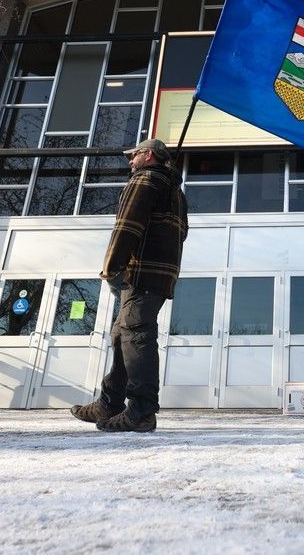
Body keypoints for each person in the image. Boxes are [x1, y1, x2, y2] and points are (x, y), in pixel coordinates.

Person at [71, 138, 188, 433]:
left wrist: (112, 266)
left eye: (133, 156)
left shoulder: (145, 179)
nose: (130, 161)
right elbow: (182, 233)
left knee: (136, 337)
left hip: (139, 273)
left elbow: (127, 225)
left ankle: (141, 411)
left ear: (148, 155)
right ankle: (110, 402)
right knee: (122, 335)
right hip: (160, 273)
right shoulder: (176, 191)